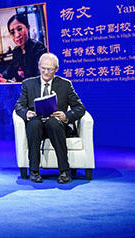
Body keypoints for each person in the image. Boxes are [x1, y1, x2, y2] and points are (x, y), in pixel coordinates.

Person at [14, 52, 86, 184]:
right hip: (37, 124)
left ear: (56, 69)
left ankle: (64, 170)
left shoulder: (65, 84)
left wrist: (66, 116)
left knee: (53, 122)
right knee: (34, 124)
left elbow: (80, 108)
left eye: (50, 69)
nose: (46, 72)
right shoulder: (28, 84)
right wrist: (26, 113)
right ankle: (34, 170)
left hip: (57, 125)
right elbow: (19, 106)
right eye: (43, 68)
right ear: (39, 66)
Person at [0, 12, 47, 83]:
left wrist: (7, 82)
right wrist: (1, 76)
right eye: (12, 32)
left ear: (28, 28)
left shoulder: (38, 48)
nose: (17, 35)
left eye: (19, 29)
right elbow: (10, 70)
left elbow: (39, 79)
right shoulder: (16, 51)